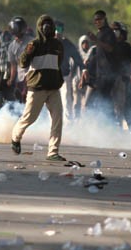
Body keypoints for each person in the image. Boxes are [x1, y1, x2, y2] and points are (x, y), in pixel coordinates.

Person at [10, 15, 65, 161]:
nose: (47, 27)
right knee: (29, 118)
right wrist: (28, 52)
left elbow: (59, 63)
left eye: (49, 24)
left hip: (53, 88)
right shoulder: (34, 44)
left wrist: (57, 78)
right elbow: (22, 63)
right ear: (39, 27)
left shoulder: (58, 45)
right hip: (37, 87)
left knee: (58, 119)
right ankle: (15, 137)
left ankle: (53, 152)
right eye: (44, 24)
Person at [56, 20, 84, 120]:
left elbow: (78, 59)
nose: (56, 32)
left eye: (59, 29)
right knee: (51, 103)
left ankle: (68, 125)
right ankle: (53, 125)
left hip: (64, 77)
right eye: (54, 29)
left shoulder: (67, 44)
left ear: (62, 31)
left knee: (66, 101)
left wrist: (83, 70)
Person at [7, 16, 32, 102]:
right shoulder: (12, 46)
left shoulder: (31, 42)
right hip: (20, 79)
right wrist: (11, 79)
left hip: (31, 77)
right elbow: (13, 65)